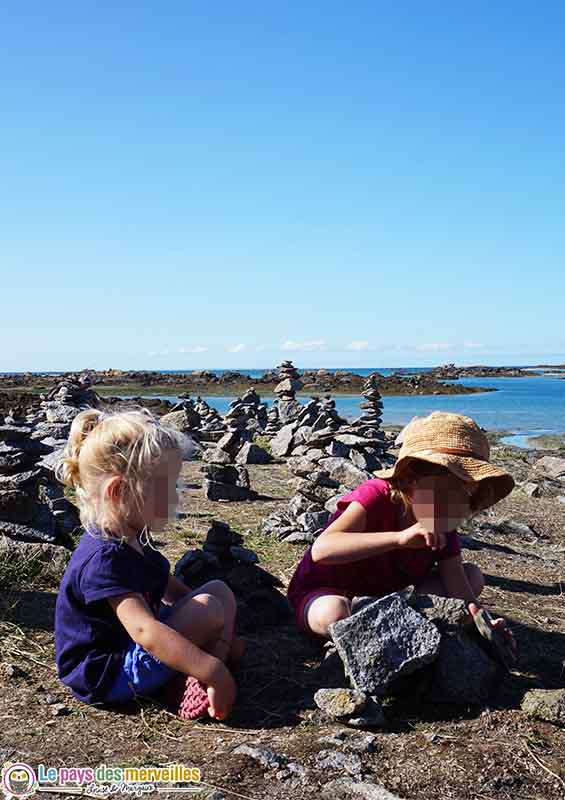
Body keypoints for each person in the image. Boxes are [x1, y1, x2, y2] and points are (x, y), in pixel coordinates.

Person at [54, 408, 242, 720]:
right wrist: (215, 670)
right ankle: (203, 676)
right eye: (166, 486)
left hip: (133, 650)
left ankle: (194, 674)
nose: (176, 497)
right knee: (209, 607)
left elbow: (176, 593)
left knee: (218, 592)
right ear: (119, 492)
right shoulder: (104, 558)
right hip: (108, 674)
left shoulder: (135, 540)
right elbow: (145, 631)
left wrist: (215, 634)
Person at [287, 411, 517, 650]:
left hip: (390, 594)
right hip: (329, 591)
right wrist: (399, 539)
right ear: (409, 479)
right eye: (443, 490)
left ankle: (385, 617)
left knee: (472, 577)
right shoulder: (376, 495)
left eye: (463, 493)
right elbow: (323, 549)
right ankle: (374, 623)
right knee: (334, 613)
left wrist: (483, 622)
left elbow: (456, 580)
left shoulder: (441, 519)